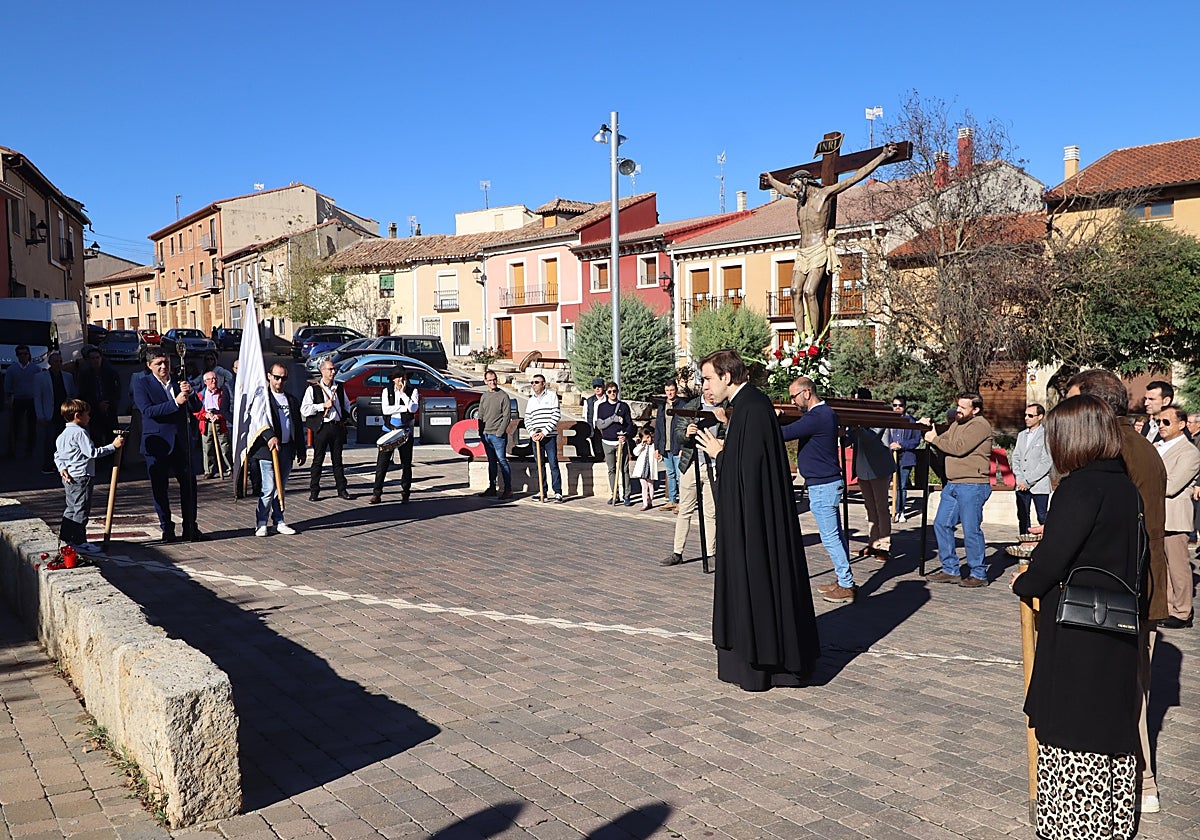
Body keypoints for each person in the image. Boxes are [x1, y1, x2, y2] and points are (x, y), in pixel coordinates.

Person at [1010, 394, 1142, 840]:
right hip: (1119, 624)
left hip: (1080, 630)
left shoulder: (1080, 487)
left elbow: (1050, 563)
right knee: (1109, 732)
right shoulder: (1124, 486)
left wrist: (1023, 583)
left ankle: (1076, 827)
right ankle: (1112, 824)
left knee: (1073, 732)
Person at [1065, 368, 1168, 815]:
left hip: (1115, 590)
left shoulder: (1115, 452)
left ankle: (1137, 782)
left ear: (1093, 407)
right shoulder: (1140, 448)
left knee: (1124, 689)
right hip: (1135, 586)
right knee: (1131, 686)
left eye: (1072, 403)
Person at [694, 349, 820, 691]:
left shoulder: (751, 407)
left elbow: (747, 472)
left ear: (727, 377)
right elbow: (751, 462)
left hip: (754, 527)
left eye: (707, 379)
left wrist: (721, 454)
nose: (703, 386)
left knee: (756, 583)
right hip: (756, 521)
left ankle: (763, 663)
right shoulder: (750, 406)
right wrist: (727, 449)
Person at [761, 143, 896, 338]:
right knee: (794, 290)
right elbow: (782, 188)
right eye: (793, 188)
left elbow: (855, 177)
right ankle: (801, 339)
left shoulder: (824, 194)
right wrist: (772, 180)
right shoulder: (799, 197)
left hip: (818, 249)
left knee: (809, 291)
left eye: (797, 186)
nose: (794, 191)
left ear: (806, 182)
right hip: (802, 252)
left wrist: (882, 156)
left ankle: (814, 339)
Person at [780, 376, 855, 603]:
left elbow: (784, 433)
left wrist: (772, 419)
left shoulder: (818, 416)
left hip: (824, 485)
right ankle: (843, 580)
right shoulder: (823, 414)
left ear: (806, 393)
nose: (792, 401)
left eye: (794, 396)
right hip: (824, 484)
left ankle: (846, 584)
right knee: (836, 536)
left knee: (831, 537)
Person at [920, 393, 993, 587]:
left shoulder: (979, 425)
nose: (958, 410)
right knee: (941, 524)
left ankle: (978, 573)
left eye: (963, 407)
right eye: (958, 406)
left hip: (972, 484)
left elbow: (958, 448)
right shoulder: (956, 425)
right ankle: (950, 569)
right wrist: (928, 428)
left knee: (971, 530)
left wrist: (934, 438)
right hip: (953, 483)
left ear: (975, 410)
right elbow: (941, 441)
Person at [133, 347, 204, 543]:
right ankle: (167, 528)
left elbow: (196, 408)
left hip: (181, 443)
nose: (164, 367)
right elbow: (147, 411)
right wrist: (175, 402)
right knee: (160, 488)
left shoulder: (178, 382)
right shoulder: (142, 385)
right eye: (159, 364)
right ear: (149, 366)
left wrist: (190, 394)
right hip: (158, 444)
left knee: (189, 485)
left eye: (166, 362)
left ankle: (190, 526)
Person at [53, 398, 125, 553]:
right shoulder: (80, 433)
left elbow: (58, 455)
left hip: (69, 475)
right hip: (82, 475)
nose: (89, 417)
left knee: (71, 507)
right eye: (87, 414)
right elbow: (91, 453)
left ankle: (66, 537)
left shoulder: (63, 434)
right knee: (81, 509)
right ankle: (79, 541)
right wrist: (113, 446)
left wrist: (62, 468)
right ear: (78, 415)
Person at [661, 391, 720, 566]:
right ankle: (677, 552)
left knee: (711, 513)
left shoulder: (724, 407)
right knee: (685, 509)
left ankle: (712, 554)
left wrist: (724, 423)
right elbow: (678, 434)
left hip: (713, 466)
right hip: (691, 463)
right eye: (707, 387)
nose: (712, 393)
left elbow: (730, 433)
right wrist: (686, 433)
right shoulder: (691, 407)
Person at [1154, 406, 1199, 629]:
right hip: (1156, 516)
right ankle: (1169, 607)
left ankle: (1183, 612)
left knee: (1179, 568)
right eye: (1159, 421)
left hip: (1174, 517)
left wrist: (1144, 483)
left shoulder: (1190, 452)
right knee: (1163, 567)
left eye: (1166, 422)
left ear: (1181, 425)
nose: (1161, 426)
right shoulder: (1156, 447)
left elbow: (1172, 486)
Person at [250, 362, 305, 536]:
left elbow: (296, 425)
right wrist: (269, 436)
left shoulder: (291, 400)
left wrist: (301, 449)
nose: (280, 381)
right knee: (269, 487)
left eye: (283, 378)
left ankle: (279, 520)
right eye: (276, 377)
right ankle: (261, 522)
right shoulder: (263, 399)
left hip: (287, 449)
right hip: (268, 451)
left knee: (281, 487)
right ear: (269, 376)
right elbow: (259, 420)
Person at [302, 359, 352, 501]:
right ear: (322, 371)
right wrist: (322, 406)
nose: (333, 372)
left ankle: (342, 489)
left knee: (338, 461)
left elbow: (346, 406)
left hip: (336, 427)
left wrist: (344, 419)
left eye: (334, 369)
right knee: (318, 460)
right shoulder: (313, 389)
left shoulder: (340, 388)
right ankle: (314, 490)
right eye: (330, 369)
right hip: (322, 427)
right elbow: (304, 410)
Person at [369, 367, 418, 505]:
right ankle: (377, 493)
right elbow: (386, 409)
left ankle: (405, 491)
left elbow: (413, 408)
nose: (401, 380)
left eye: (403, 378)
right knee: (382, 464)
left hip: (405, 431)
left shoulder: (412, 391)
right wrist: (404, 407)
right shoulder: (387, 391)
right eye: (398, 378)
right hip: (388, 430)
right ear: (393, 379)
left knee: (406, 463)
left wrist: (403, 395)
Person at [850, 421, 896, 561]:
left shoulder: (877, 419)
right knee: (870, 508)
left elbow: (870, 437)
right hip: (863, 470)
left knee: (881, 508)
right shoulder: (857, 423)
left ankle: (884, 546)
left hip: (878, 470)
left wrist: (856, 428)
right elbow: (849, 440)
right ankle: (873, 543)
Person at [1012, 403, 1052, 536]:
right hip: (1021, 484)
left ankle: (1046, 545)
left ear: (1040, 417)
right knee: (1023, 517)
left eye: (1030, 415)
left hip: (1038, 485)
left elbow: (1046, 462)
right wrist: (1019, 479)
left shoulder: (1046, 435)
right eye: (1025, 415)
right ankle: (1024, 543)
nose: (1026, 418)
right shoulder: (1022, 435)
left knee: (1042, 517)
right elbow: (1016, 457)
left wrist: (1028, 481)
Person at [34, 351, 75, 475]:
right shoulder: (40, 378)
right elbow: (38, 397)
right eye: (56, 362)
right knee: (49, 440)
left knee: (65, 440)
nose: (58, 364)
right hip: (49, 413)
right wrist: (40, 415)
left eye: (60, 361)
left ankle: (64, 464)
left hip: (64, 414)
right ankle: (48, 464)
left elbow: (71, 394)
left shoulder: (67, 376)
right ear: (50, 363)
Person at [525, 374, 563, 503]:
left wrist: (544, 432)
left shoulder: (552, 396)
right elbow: (527, 418)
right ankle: (543, 490)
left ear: (543, 384)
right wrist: (532, 433)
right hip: (536, 438)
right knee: (539, 465)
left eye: (536, 382)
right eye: (532, 382)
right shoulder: (531, 400)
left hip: (549, 436)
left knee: (553, 463)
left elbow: (556, 414)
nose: (534, 385)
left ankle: (557, 492)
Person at [596, 382, 635, 505]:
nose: (612, 394)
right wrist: (613, 419)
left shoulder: (623, 406)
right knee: (611, 469)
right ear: (606, 393)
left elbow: (629, 424)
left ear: (617, 391)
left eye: (614, 391)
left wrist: (625, 435)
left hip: (621, 442)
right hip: (607, 442)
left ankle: (627, 495)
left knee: (624, 469)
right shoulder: (602, 407)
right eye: (609, 391)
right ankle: (614, 494)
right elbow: (600, 424)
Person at [77, 345, 122, 448]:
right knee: (96, 438)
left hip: (109, 410)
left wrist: (109, 404)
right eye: (92, 358)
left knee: (113, 437)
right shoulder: (85, 375)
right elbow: (83, 394)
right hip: (93, 412)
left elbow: (116, 391)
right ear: (88, 360)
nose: (95, 360)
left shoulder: (110, 373)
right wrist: (97, 405)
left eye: (97, 358)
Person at [477, 369, 512, 499]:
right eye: (490, 380)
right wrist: (481, 432)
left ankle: (508, 489)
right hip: (486, 435)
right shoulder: (484, 396)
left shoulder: (503, 396)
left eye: (494, 379)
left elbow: (507, 416)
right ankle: (492, 487)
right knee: (491, 462)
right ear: (485, 381)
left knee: (502, 461)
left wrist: (499, 432)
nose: (493, 382)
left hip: (497, 436)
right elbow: (480, 415)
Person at [887, 396, 922, 522]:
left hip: (905, 457)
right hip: (889, 457)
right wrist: (890, 445)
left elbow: (916, 440)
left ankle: (900, 511)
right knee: (884, 485)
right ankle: (885, 510)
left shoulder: (911, 422)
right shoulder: (888, 421)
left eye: (900, 405)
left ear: (904, 406)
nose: (897, 407)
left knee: (901, 486)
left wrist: (901, 445)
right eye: (895, 405)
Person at [195, 371, 233, 479]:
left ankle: (230, 468)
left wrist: (219, 416)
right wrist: (205, 415)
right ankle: (209, 470)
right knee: (207, 448)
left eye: (215, 378)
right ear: (205, 381)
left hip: (220, 423)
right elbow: (196, 411)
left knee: (225, 447)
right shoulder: (200, 395)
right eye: (211, 379)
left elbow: (226, 409)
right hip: (206, 424)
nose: (214, 381)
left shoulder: (222, 393)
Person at [5, 344, 40, 458]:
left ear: (29, 354)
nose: (23, 356)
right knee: (15, 425)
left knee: (32, 425)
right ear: (17, 355)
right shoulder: (12, 369)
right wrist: (8, 400)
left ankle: (30, 449)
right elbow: (8, 386)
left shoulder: (35, 368)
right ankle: (12, 449)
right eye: (20, 354)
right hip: (18, 399)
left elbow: (40, 385)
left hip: (31, 399)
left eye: (25, 353)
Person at [653, 381, 682, 511]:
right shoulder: (662, 406)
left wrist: (682, 447)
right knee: (670, 474)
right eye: (667, 390)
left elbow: (684, 427)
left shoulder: (682, 405)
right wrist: (657, 447)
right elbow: (658, 428)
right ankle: (672, 500)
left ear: (676, 390)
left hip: (677, 446)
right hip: (665, 446)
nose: (669, 393)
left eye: (672, 390)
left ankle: (683, 502)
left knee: (680, 475)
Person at [631, 425, 657, 510]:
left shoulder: (654, 446)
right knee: (644, 486)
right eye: (647, 437)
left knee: (650, 484)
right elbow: (635, 453)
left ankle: (650, 501)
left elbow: (658, 457)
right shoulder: (641, 446)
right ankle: (645, 503)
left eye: (650, 437)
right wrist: (642, 444)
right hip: (642, 469)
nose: (649, 439)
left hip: (650, 468)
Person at [583, 377, 606, 461]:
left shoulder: (608, 399)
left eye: (599, 386)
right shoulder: (589, 401)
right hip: (594, 428)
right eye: (595, 387)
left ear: (603, 387)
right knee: (597, 449)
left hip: (606, 427)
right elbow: (586, 415)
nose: (597, 389)